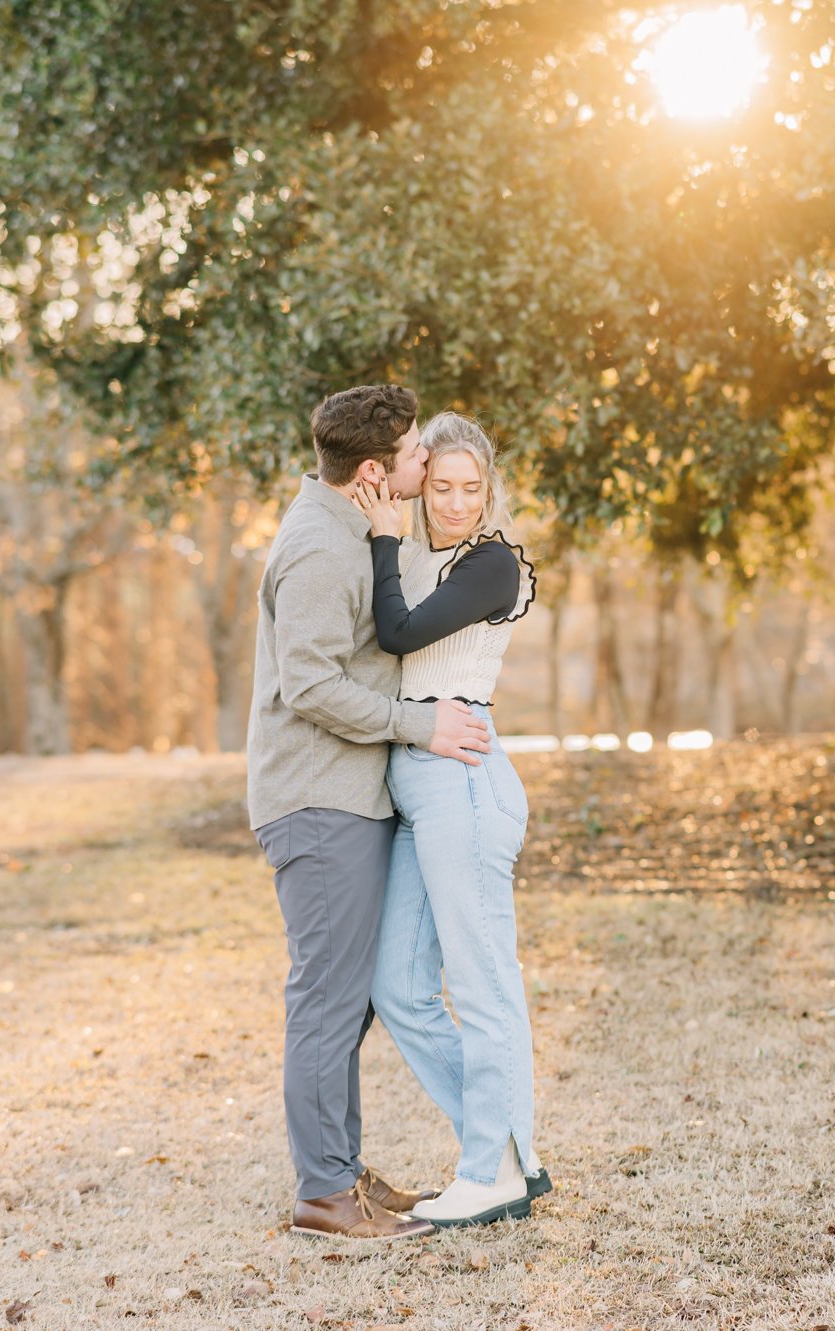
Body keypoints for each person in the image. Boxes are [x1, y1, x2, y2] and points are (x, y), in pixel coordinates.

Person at [245, 384, 491, 1244]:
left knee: (350, 1000)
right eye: (420, 452)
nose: (430, 464)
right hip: (318, 800)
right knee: (327, 998)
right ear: (376, 472)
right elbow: (309, 684)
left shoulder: (354, 530)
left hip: (349, 795)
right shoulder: (319, 547)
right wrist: (419, 722)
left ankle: (341, 1171)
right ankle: (322, 1192)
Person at [346, 411, 549, 1228]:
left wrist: (386, 535)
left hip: (462, 773)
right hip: (412, 781)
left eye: (472, 487)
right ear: (419, 481)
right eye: (442, 486)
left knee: (482, 980)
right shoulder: (417, 550)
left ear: (488, 488)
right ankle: (504, 1151)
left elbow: (398, 629)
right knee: (397, 984)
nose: (458, 502)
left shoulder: (493, 563)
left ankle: (491, 1166)